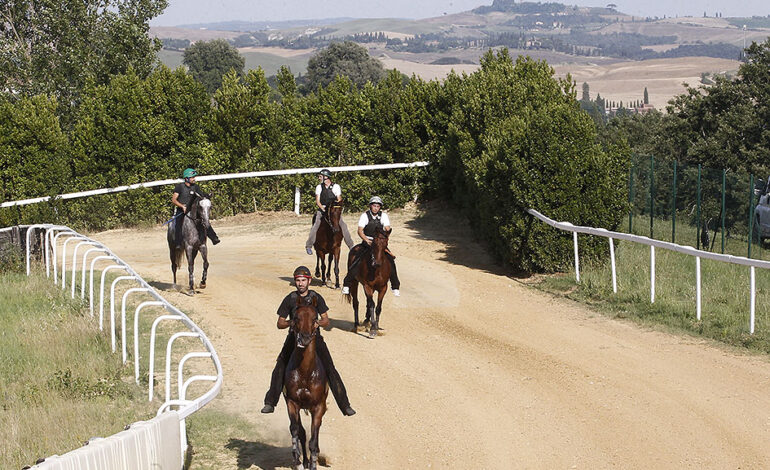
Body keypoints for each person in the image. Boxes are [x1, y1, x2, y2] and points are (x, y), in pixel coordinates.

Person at [261, 266, 356, 416]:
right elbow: (280, 323)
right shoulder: (290, 298)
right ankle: (270, 402)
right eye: (298, 280)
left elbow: (326, 319)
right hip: (294, 338)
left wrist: (318, 323)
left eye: (303, 280)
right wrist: (291, 323)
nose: (300, 283)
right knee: (280, 366)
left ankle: (345, 405)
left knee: (330, 368)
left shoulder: (316, 297)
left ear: (309, 281)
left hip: (314, 339)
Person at [341, 196, 400, 297]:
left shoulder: (384, 216)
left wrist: (384, 234)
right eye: (374, 206)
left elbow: (387, 228)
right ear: (370, 206)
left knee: (390, 260)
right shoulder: (365, 216)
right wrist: (366, 240)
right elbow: (360, 230)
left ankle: (395, 286)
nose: (376, 208)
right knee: (357, 259)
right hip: (367, 242)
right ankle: (347, 283)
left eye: (378, 206)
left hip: (379, 243)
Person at [305, 169, 355, 255]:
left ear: (326, 177)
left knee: (343, 225)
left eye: (321, 176)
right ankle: (309, 245)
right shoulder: (319, 187)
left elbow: (339, 199)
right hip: (323, 209)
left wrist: (334, 208)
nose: (319, 177)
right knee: (316, 225)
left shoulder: (336, 187)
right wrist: (323, 209)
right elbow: (318, 201)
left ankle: (351, 246)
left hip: (333, 210)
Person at [171, 168, 220, 247]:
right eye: (192, 177)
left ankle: (214, 238)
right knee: (178, 223)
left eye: (194, 177)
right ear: (186, 178)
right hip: (182, 210)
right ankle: (178, 243)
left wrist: (207, 196)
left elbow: (201, 196)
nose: (194, 179)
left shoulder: (196, 187)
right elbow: (174, 200)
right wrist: (182, 206)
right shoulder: (179, 187)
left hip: (193, 210)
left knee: (205, 221)